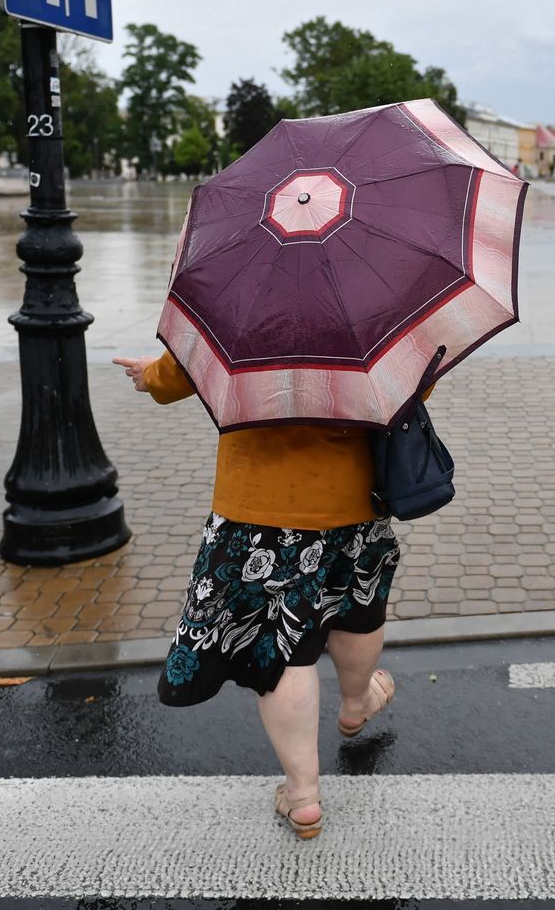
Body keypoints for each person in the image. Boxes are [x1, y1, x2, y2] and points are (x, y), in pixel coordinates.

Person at [111, 351, 403, 840]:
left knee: (282, 649)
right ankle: (356, 703)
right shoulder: (369, 296)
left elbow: (188, 369)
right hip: (353, 493)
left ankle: (304, 796)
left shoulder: (246, 288)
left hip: (257, 505)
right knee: (356, 606)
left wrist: (152, 376)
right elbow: (410, 384)